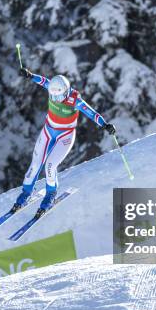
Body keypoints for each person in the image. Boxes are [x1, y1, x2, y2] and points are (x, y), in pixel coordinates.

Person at [13, 66, 116, 215]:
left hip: (65, 136)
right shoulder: (53, 88)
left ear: (66, 92)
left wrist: (105, 125)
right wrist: (29, 75)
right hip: (48, 131)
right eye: (53, 97)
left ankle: (50, 195)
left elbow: (91, 112)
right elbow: (41, 80)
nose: (56, 100)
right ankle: (26, 192)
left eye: (59, 97)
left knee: (50, 165)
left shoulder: (75, 100)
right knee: (35, 163)